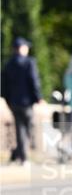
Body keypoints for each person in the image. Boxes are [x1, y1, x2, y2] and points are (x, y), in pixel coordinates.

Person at [1, 36, 43, 165]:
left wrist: (8, 100)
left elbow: (3, 85)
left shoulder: (8, 64)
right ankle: (22, 155)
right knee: (29, 128)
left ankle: (20, 156)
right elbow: (34, 80)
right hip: (26, 102)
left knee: (20, 129)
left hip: (13, 102)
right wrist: (38, 97)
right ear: (22, 48)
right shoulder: (29, 62)